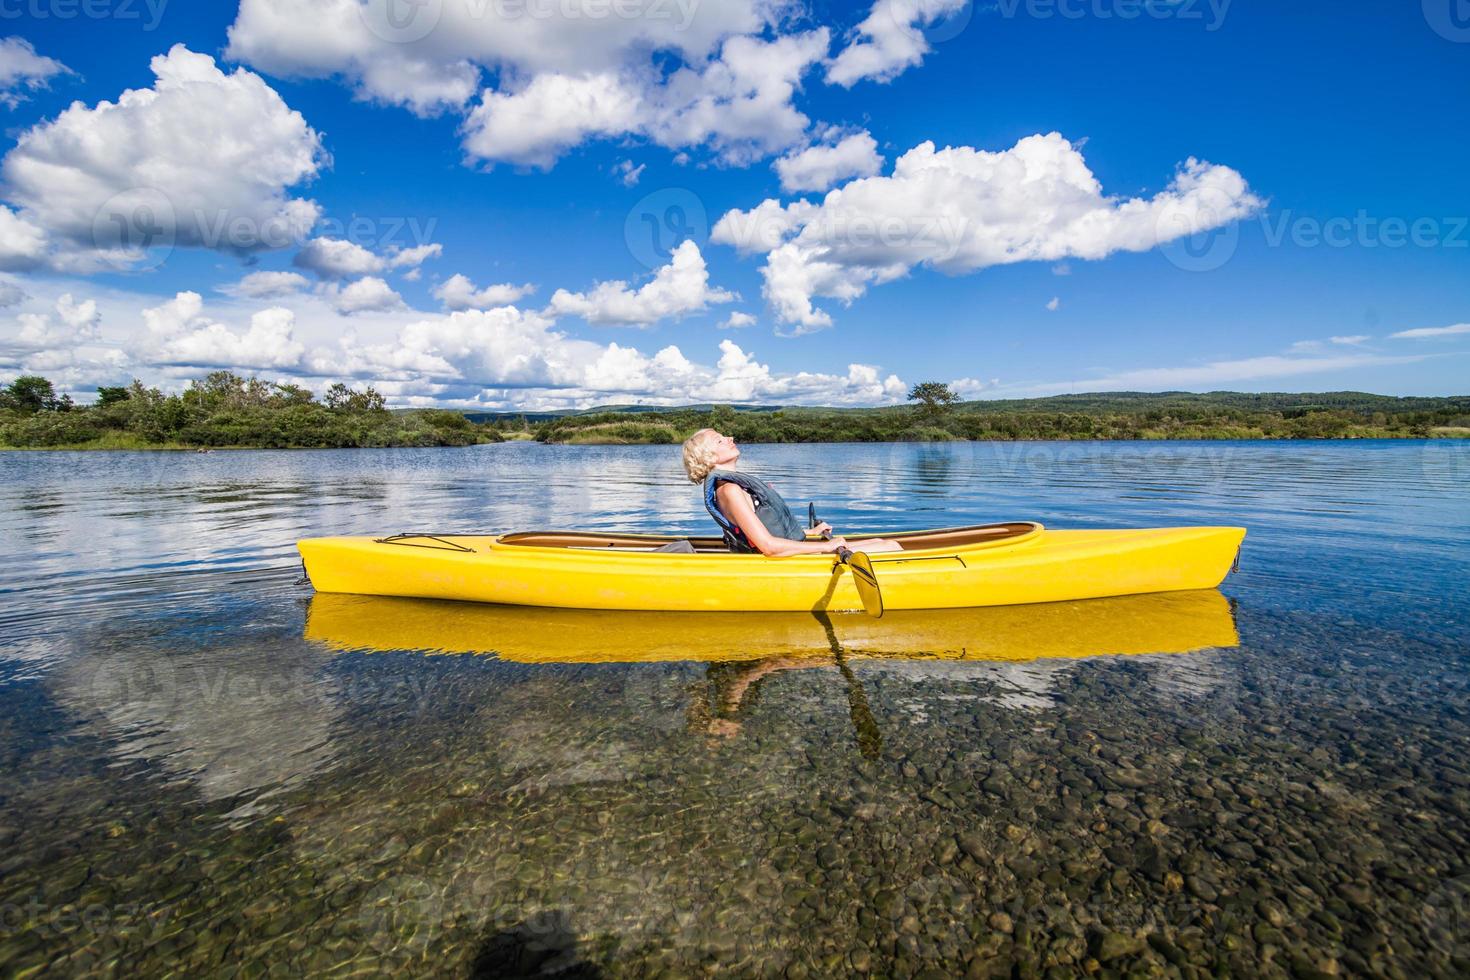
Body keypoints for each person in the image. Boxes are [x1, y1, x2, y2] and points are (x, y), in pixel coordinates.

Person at [680, 428, 903, 556]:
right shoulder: (729, 491)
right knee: (891, 547)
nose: (730, 438)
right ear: (708, 456)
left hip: (787, 554)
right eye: (720, 440)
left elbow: (766, 530)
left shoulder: (734, 487)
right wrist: (827, 546)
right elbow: (768, 546)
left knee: (879, 540)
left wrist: (812, 533)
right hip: (780, 561)